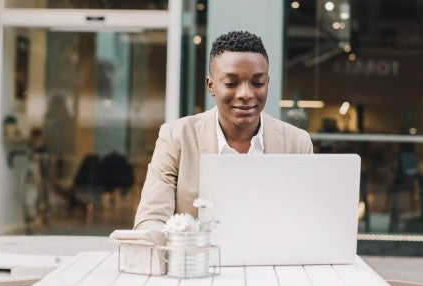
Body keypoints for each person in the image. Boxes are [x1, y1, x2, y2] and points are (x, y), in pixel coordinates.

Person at [134, 31, 313, 231]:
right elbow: (151, 219)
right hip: (198, 258)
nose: (246, 94)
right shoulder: (176, 137)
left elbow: (308, 219)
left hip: (271, 259)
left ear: (268, 84)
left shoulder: (297, 142)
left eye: (258, 83)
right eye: (231, 83)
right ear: (211, 86)